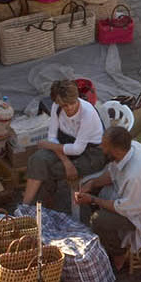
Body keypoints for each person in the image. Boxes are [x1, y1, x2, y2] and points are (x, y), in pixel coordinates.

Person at [73, 126, 141, 270]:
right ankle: (106, 238)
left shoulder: (135, 175)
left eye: (104, 146)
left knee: (98, 220)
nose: (101, 148)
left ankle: (118, 253)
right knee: (91, 186)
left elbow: (125, 208)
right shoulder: (130, 147)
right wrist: (92, 183)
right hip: (134, 200)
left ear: (115, 151)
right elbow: (113, 172)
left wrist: (93, 200)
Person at [22, 80, 106, 209]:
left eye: (72, 103)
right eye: (65, 105)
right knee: (37, 159)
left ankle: (42, 204)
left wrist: (49, 145)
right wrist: (66, 161)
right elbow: (52, 136)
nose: (69, 108)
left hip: (91, 153)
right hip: (66, 146)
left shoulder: (87, 113)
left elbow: (77, 149)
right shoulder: (57, 107)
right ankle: (25, 206)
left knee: (50, 169)